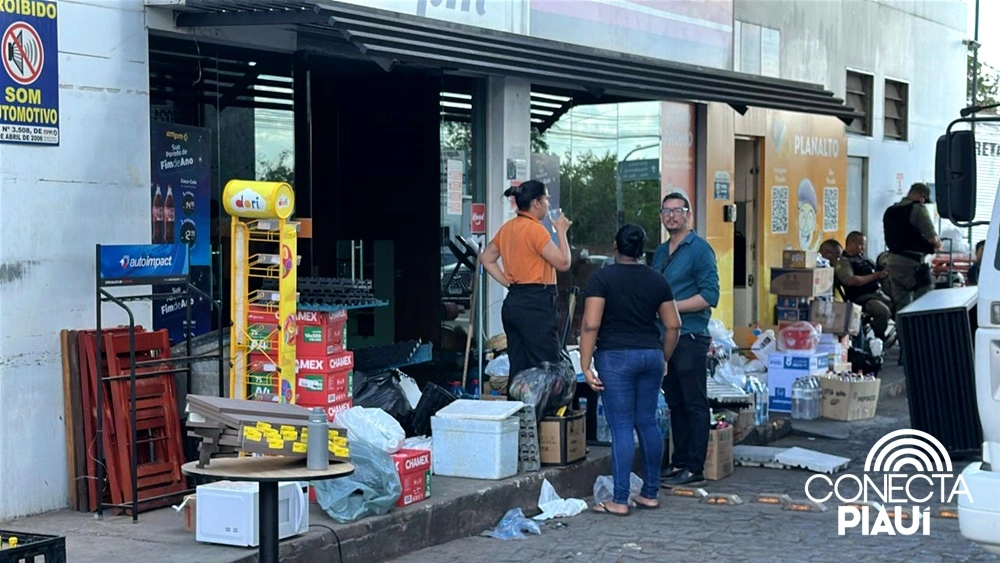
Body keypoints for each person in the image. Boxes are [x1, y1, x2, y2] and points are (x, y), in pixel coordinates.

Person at [580, 225, 681, 516]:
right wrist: (663, 357)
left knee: (622, 426)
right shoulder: (657, 280)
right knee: (647, 423)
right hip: (650, 354)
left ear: (615, 247)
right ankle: (650, 493)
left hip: (616, 357)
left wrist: (585, 365)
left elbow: (590, 324)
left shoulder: (602, 278)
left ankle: (620, 499)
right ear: (641, 250)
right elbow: (673, 325)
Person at [650, 192, 720, 487]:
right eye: (666, 211)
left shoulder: (700, 250)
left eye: (677, 211)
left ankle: (695, 466)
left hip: (690, 335)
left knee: (694, 402)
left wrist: (671, 308)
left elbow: (709, 296)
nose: (671, 216)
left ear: (688, 214)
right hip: (663, 337)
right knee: (675, 402)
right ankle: (678, 461)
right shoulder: (660, 251)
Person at [480, 180, 572, 380]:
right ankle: (542, 410)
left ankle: (519, 408)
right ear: (536, 203)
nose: (548, 204)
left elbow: (486, 258)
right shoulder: (535, 229)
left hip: (515, 301)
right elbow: (563, 263)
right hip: (537, 303)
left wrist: (508, 283)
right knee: (546, 368)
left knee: (519, 368)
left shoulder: (508, 228)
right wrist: (562, 232)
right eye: (546, 199)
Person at [882, 182, 941, 312]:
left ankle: (902, 331)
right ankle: (920, 331)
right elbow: (932, 238)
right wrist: (938, 243)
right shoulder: (918, 209)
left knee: (901, 306)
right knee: (925, 299)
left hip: (892, 262)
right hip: (912, 265)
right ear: (921, 196)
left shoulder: (890, 211)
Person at [835, 231, 893, 339]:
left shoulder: (863, 259)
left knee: (899, 306)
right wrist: (875, 276)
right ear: (850, 244)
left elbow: (876, 271)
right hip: (861, 297)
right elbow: (850, 280)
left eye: (864, 245)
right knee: (882, 311)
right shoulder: (844, 261)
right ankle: (878, 338)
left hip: (876, 293)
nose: (863, 248)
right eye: (860, 244)